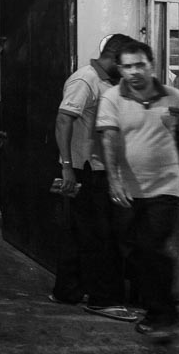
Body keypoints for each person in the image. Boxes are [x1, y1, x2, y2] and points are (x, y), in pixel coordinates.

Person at [98, 41, 179, 340]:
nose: (134, 72)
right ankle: (158, 307)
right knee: (137, 250)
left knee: (151, 247)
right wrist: (114, 180)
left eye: (140, 64)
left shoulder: (173, 96)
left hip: (165, 187)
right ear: (120, 69)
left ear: (151, 64)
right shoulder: (112, 98)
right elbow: (109, 140)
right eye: (127, 66)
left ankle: (162, 315)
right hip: (128, 190)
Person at [51, 32, 138, 321]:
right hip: (87, 169)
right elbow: (64, 119)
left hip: (99, 167)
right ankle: (103, 299)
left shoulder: (108, 81)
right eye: (124, 64)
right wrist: (66, 166)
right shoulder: (85, 79)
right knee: (102, 235)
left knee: (80, 231)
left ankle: (67, 291)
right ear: (113, 58)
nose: (128, 71)